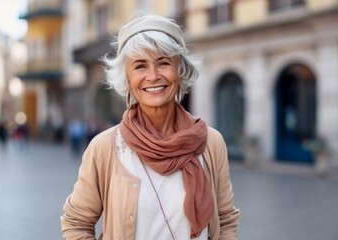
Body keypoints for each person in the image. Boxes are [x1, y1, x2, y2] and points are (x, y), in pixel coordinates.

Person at [61, 13, 240, 240]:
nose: (153, 76)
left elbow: (225, 220)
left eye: (164, 62)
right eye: (140, 66)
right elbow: (76, 223)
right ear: (127, 78)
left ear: (180, 70)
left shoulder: (211, 143)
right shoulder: (104, 147)